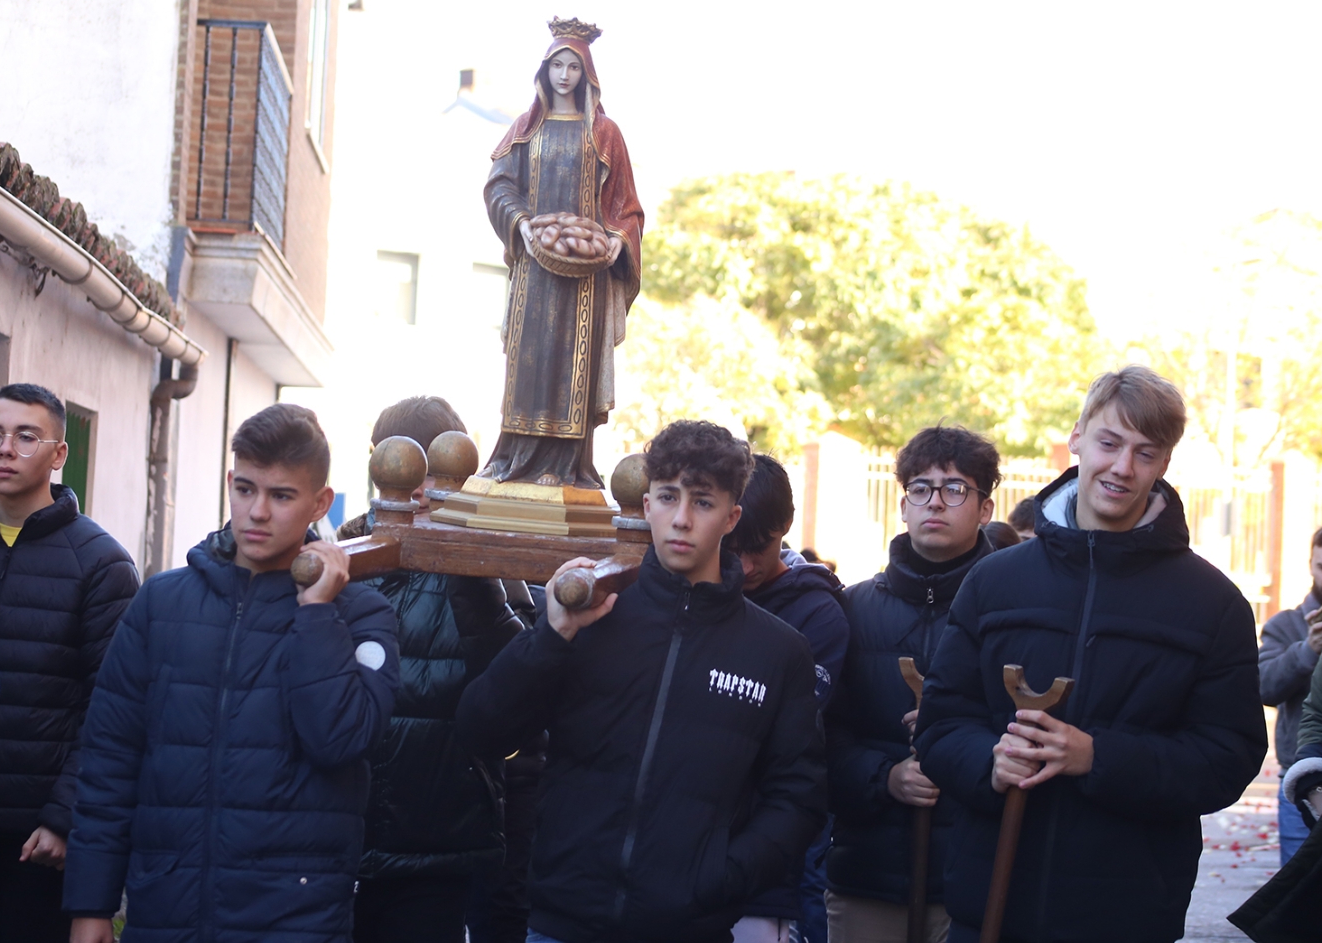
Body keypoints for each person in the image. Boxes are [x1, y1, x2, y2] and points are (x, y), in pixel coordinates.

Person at [916, 366, 1266, 943]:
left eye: (1145, 453)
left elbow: (1227, 757)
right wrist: (988, 762)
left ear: (1164, 464)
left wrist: (1098, 757)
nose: (1123, 468)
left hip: (1127, 917)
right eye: (1109, 443)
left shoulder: (1213, 604)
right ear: (1077, 437)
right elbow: (940, 723)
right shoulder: (994, 583)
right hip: (992, 909)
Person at [455, 420, 828, 943]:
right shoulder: (588, 613)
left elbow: (799, 798)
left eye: (702, 502)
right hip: (562, 921)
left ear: (731, 517)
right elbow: (483, 730)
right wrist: (551, 636)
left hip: (691, 926)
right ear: (646, 503)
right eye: (668, 496)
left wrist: (721, 878)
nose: (681, 519)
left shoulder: (777, 650)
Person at [61, 404, 401, 943]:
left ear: (320, 503)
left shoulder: (359, 615)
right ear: (230, 482)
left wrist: (315, 612)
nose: (257, 511)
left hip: (295, 916)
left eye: (281, 496)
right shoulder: (161, 602)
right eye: (245, 489)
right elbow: (110, 758)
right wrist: (91, 903)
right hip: (167, 908)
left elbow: (339, 739)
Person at [0, 383, 139, 942]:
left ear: (59, 454)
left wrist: (64, 816)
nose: (6, 449)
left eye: (26, 436)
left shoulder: (101, 564)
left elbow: (110, 708)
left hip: (37, 840)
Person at [351, 396, 527, 943]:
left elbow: (518, 703)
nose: (418, 491)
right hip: (339, 840)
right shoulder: (345, 557)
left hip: (440, 844)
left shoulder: (487, 570)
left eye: (434, 476)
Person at [823, 425, 1000, 943]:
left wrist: (963, 740)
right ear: (903, 506)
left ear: (985, 508)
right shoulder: (853, 608)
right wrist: (885, 778)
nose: (935, 503)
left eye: (955, 489)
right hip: (868, 877)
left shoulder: (1010, 610)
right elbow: (821, 735)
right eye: (921, 489)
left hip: (972, 879)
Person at [480, 16, 645, 488]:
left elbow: (627, 206)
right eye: (558, 65)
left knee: (573, 367)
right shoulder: (525, 129)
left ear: (587, 73)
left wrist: (616, 239)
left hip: (585, 278)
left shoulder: (605, 132)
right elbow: (499, 186)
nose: (565, 75)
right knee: (526, 363)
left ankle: (565, 466)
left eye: (574, 66)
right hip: (535, 268)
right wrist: (522, 225)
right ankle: (514, 459)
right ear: (544, 71)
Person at [726, 454, 847, 943]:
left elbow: (776, 734)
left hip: (768, 876)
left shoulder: (819, 615)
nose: (747, 566)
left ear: (787, 527)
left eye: (760, 547)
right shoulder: (691, 591)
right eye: (733, 550)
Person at [1258, 525, 1322, 864]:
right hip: (1303, 779)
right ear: (1311, 566)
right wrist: (1308, 651)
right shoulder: (1284, 625)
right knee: (1301, 896)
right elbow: (1263, 687)